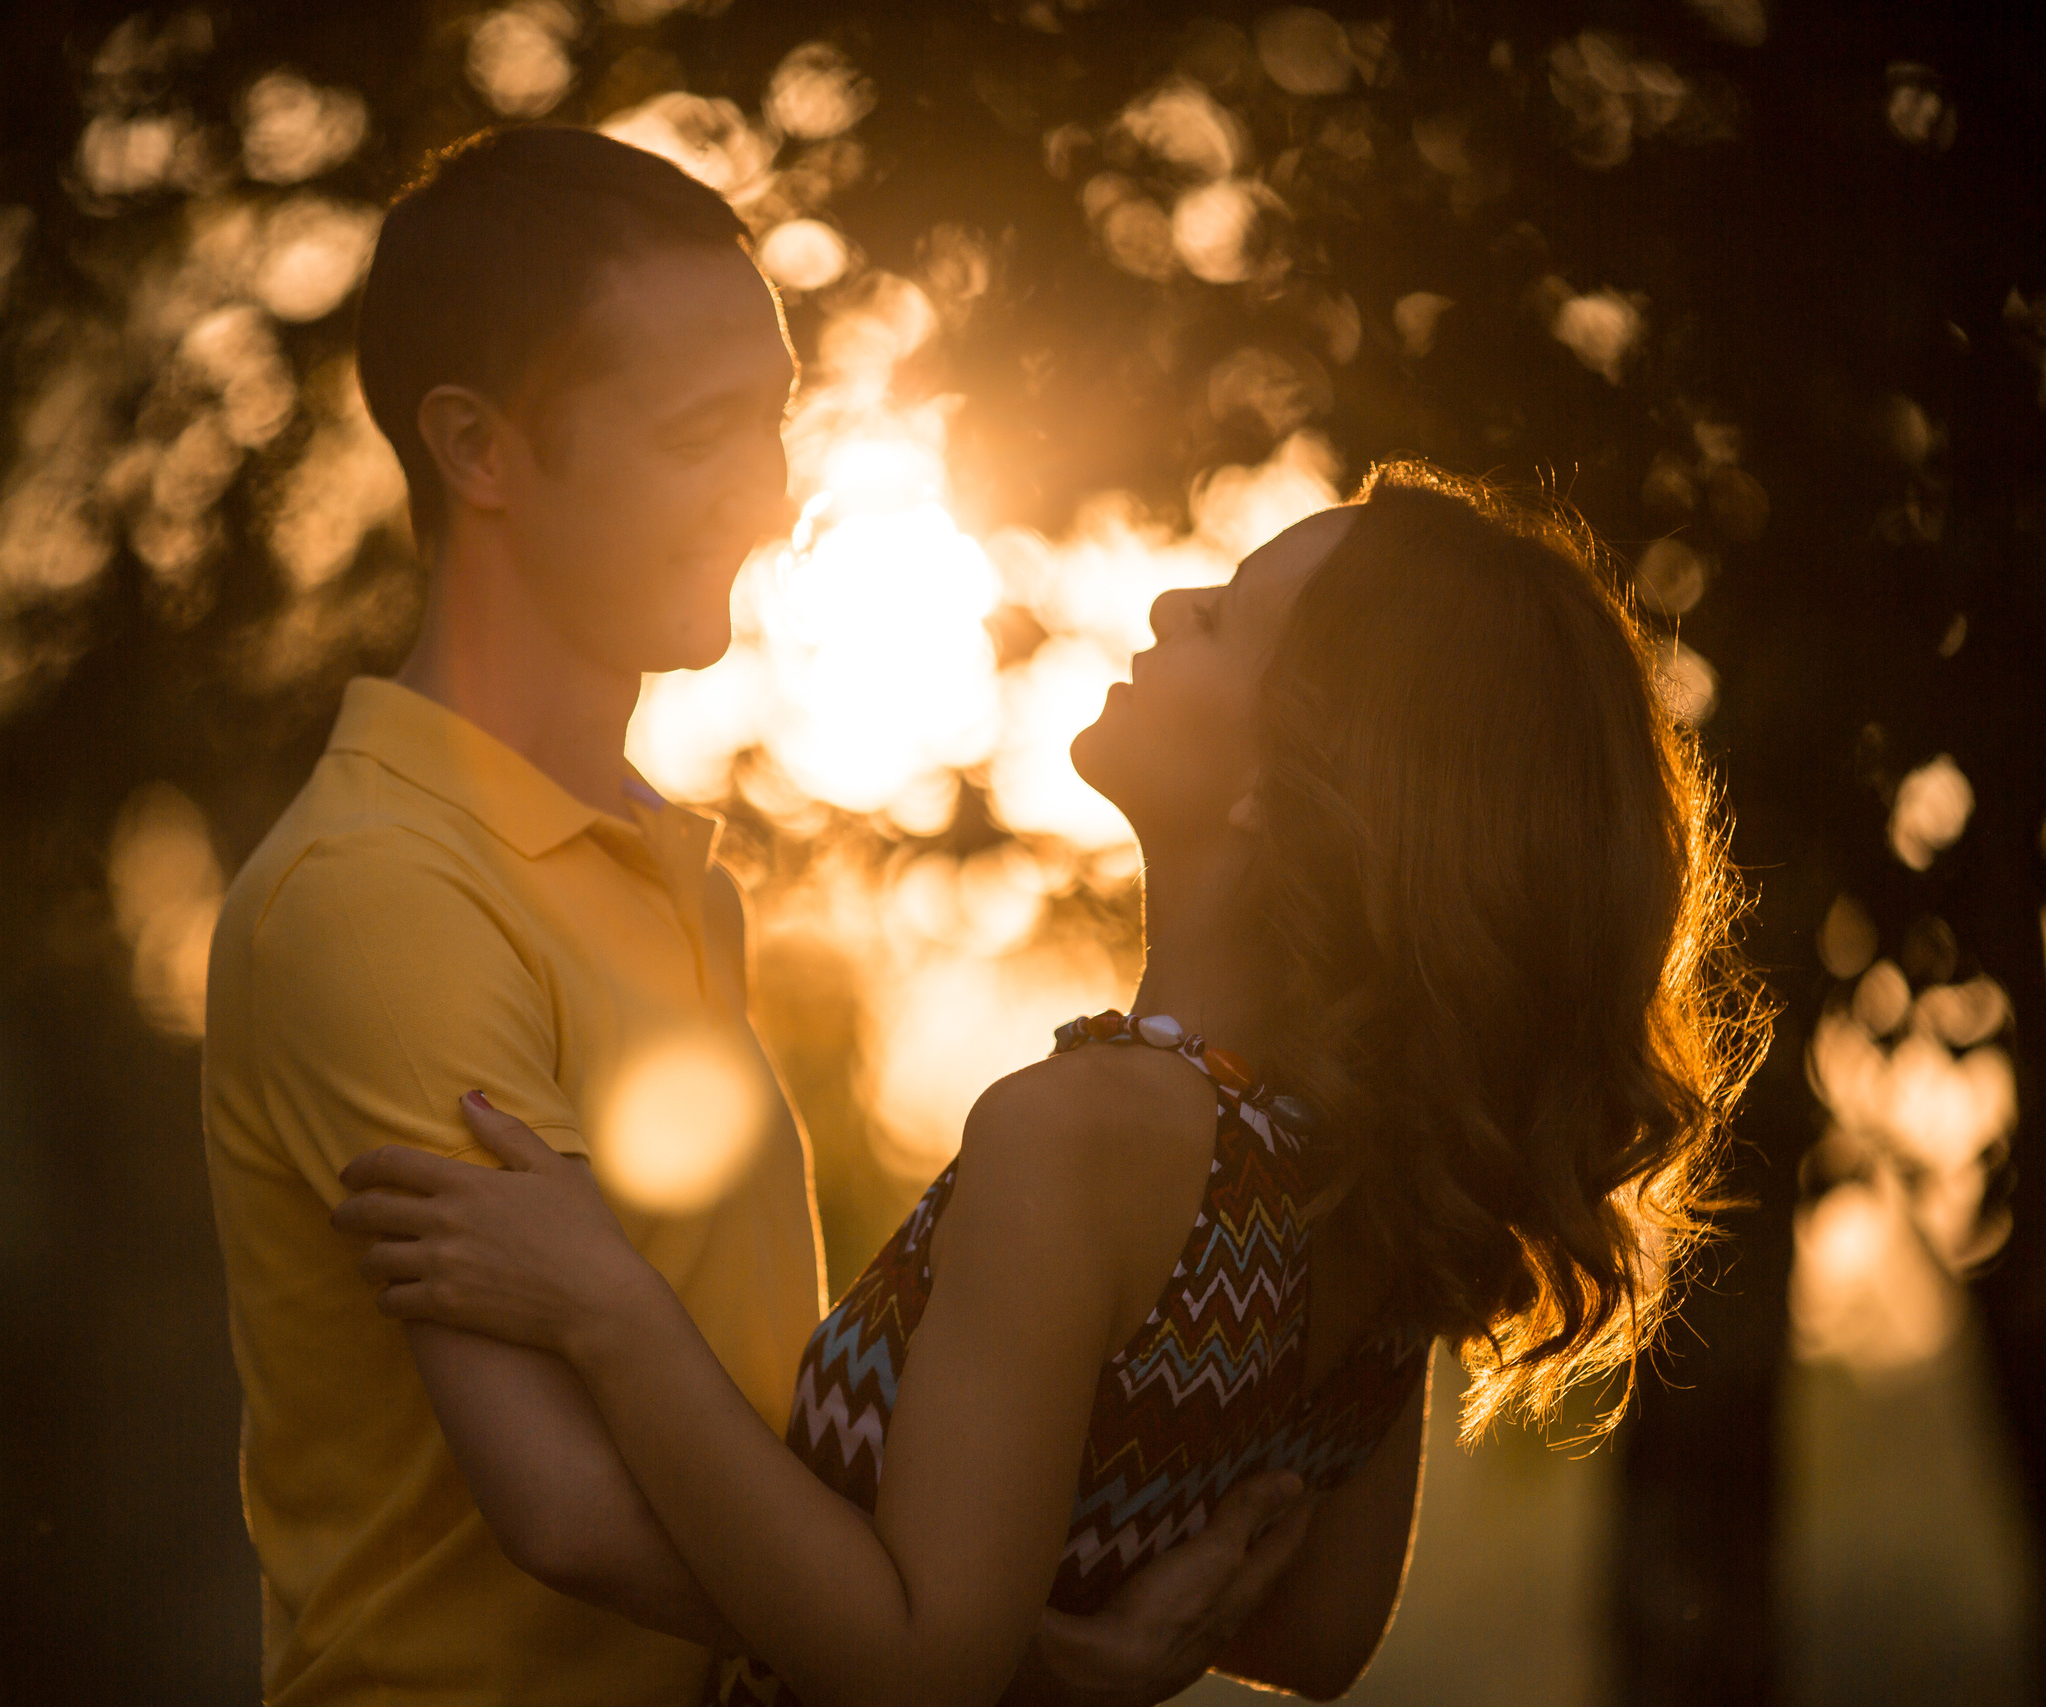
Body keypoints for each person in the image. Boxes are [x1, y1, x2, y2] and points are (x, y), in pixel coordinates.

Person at [333, 464, 1772, 1704]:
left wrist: (607, 1308)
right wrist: (1107, 1627)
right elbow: (1320, 1636)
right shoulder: (1376, 1178)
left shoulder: (1081, 1135)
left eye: (1216, 621)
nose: (1161, 609)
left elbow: (917, 1665)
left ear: (1286, 781)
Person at [203, 124, 1310, 1707]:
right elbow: (569, 1509)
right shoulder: (384, 894)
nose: (767, 496)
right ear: (482, 449)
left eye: (773, 425)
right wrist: (1021, 1655)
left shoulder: (663, 869)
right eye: (701, 435)